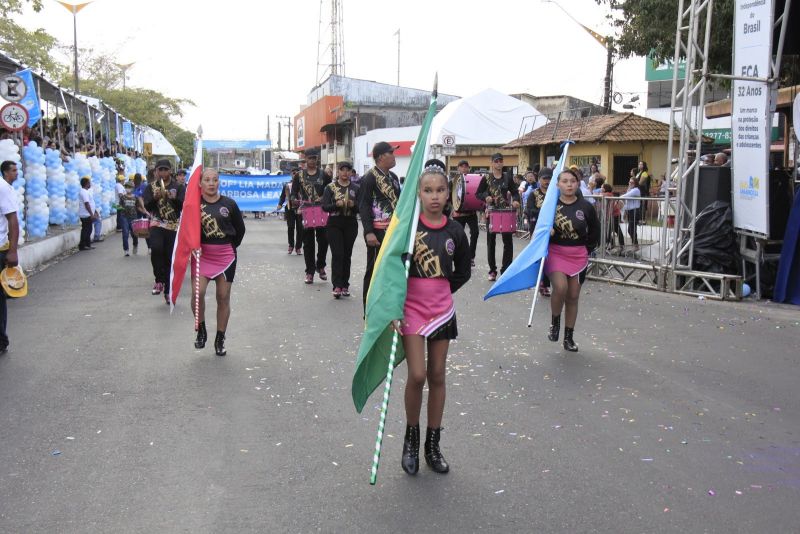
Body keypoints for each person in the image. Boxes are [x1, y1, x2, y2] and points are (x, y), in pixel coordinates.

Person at [393, 163, 471, 476]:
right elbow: (390, 271)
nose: (435, 196)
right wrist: (392, 308)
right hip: (411, 310)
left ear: (448, 193)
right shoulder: (408, 228)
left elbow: (463, 270)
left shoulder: (455, 231)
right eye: (428, 190)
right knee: (417, 375)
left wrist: (440, 289)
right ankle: (411, 438)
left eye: (440, 190)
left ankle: (432, 444)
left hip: (442, 311)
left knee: (438, 374)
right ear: (419, 193)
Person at [192, 169, 246, 356]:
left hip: (225, 256)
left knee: (223, 297)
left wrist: (228, 246)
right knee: (197, 293)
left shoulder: (229, 204)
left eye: (215, 180)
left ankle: (220, 338)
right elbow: (186, 231)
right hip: (202, 256)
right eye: (207, 180)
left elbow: (240, 230)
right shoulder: (193, 204)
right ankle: (201, 329)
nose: (211, 183)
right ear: (200, 183)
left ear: (219, 182)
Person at [545, 169, 599, 352]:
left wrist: (586, 249)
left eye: (572, 181)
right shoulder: (551, 205)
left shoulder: (586, 207)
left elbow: (594, 231)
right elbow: (538, 226)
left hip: (578, 255)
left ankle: (569, 337)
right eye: (565, 181)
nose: (569, 184)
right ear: (558, 184)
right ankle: (555, 322)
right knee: (561, 287)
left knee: (573, 295)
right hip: (555, 253)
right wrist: (548, 232)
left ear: (578, 184)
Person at [358, 141, 401, 309]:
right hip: (377, 231)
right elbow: (363, 205)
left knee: (391, 269)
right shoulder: (369, 177)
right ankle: (368, 308)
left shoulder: (394, 178)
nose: (394, 156)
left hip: (393, 231)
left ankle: (388, 306)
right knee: (374, 270)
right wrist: (369, 232)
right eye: (391, 153)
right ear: (382, 156)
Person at [143, 159, 185, 302]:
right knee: (156, 249)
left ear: (170, 171)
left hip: (173, 226)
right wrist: (155, 199)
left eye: (165, 169)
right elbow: (147, 207)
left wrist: (173, 199)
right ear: (156, 171)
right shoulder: (151, 187)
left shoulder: (178, 187)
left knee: (169, 258)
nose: (162, 172)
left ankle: (168, 290)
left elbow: (183, 206)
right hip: (157, 223)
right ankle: (159, 280)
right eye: (160, 170)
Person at [476, 153, 519, 281]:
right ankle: (492, 270)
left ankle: (506, 270)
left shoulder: (507, 178)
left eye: (501, 161)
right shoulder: (486, 178)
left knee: (508, 242)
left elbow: (515, 192)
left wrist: (516, 200)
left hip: (505, 211)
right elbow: (477, 193)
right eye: (496, 161)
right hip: (492, 212)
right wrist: (486, 197)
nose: (499, 163)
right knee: (491, 242)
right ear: (492, 163)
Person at [291, 150, 330, 284]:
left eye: (315, 158)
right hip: (306, 210)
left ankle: (321, 265)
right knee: (308, 243)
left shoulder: (323, 175)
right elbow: (293, 193)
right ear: (305, 159)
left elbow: (331, 190)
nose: (312, 160)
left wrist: (326, 202)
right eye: (310, 158)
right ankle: (310, 272)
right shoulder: (299, 176)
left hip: (321, 210)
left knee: (324, 240)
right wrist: (296, 203)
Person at [322, 161, 359, 298]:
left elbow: (361, 208)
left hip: (350, 223)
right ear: (338, 171)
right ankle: (337, 285)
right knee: (337, 254)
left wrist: (353, 205)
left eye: (347, 170)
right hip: (334, 223)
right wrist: (336, 205)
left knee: (347, 255)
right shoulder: (330, 187)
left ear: (351, 172)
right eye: (342, 170)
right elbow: (324, 207)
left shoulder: (356, 188)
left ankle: (345, 285)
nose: (345, 173)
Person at [0, 161, 20, 354]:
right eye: (14, 170)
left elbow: (13, 220)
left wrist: (12, 250)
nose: (17, 173)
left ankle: (1, 339)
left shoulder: (3, 189)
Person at [524, 167, 553, 296]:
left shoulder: (555, 193)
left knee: (550, 256)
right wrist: (543, 212)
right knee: (540, 256)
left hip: (553, 229)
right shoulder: (534, 194)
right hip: (537, 229)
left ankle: (547, 282)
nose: (547, 181)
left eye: (549, 178)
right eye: (544, 178)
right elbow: (529, 210)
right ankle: (541, 282)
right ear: (539, 179)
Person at [451, 159, 479, 266]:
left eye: (466, 166)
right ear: (458, 168)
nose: (464, 168)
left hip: (471, 213)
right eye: (462, 166)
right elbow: (449, 197)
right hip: (458, 215)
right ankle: (460, 256)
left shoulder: (473, 180)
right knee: (459, 236)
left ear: (469, 168)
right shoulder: (453, 181)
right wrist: (452, 209)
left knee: (475, 233)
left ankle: (471, 257)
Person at [277, 174, 302, 255]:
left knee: (300, 228)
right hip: (290, 209)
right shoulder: (287, 185)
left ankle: (298, 247)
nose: (294, 175)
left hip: (301, 209)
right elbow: (282, 196)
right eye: (293, 174)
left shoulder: (303, 185)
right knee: (290, 227)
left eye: (296, 174)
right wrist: (280, 204)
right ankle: (291, 245)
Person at [119, 181, 139, 256]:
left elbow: (138, 207)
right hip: (124, 217)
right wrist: (119, 207)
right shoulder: (122, 197)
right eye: (126, 187)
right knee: (125, 233)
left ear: (133, 188)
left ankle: (135, 244)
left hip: (133, 217)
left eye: (129, 187)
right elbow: (119, 206)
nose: (128, 189)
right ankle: (126, 250)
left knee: (134, 234)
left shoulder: (135, 197)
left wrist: (145, 212)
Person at [602, 183, 625, 251]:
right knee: (609, 230)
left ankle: (617, 245)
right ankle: (612, 244)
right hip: (611, 215)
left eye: (602, 187)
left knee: (614, 230)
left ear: (605, 188)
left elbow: (600, 195)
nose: (601, 188)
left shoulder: (608, 194)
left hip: (614, 215)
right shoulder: (608, 194)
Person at [621, 177, 642, 249]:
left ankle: (635, 244)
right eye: (629, 182)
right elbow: (627, 201)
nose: (630, 183)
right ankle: (635, 244)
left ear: (635, 183)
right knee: (631, 229)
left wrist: (619, 197)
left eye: (632, 182)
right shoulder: (630, 190)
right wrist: (625, 211)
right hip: (630, 211)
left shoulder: (636, 190)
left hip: (635, 210)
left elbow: (626, 196)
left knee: (631, 229)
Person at [78, 177, 98, 251]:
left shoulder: (86, 191)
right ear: (86, 183)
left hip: (88, 214)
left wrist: (94, 211)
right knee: (86, 230)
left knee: (88, 229)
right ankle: (83, 245)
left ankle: (87, 244)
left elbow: (91, 203)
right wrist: (91, 214)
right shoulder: (84, 192)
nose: (90, 184)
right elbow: (87, 204)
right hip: (85, 214)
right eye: (89, 182)